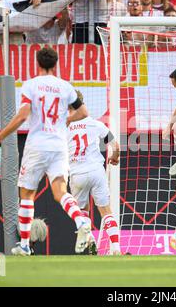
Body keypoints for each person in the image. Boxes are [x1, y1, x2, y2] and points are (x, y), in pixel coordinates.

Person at [0, 47, 91, 256]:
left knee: (26, 194)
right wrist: (65, 120)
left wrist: (0, 136)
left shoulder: (31, 85)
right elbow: (84, 112)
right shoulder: (65, 86)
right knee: (60, 192)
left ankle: (25, 245)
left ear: (37, 63)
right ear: (56, 64)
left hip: (37, 145)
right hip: (59, 145)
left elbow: (24, 115)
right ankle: (81, 221)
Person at [67, 91, 121, 255]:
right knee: (105, 211)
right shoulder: (95, 123)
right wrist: (115, 156)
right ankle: (116, 248)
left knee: (82, 211)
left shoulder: (64, 126)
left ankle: (89, 238)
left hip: (77, 173)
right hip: (96, 171)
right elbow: (115, 145)